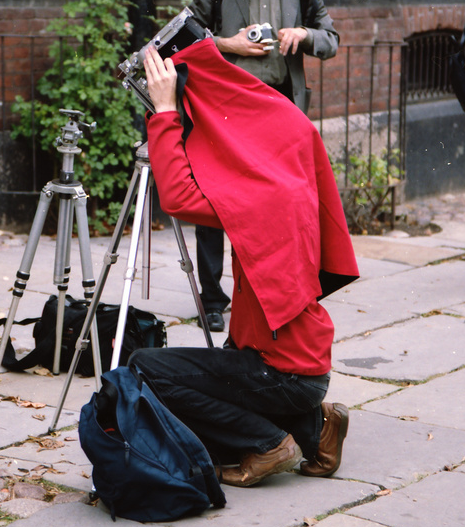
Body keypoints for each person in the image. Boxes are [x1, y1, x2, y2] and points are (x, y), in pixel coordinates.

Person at [128, 37, 358, 487]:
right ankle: (317, 429)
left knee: (145, 367)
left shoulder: (259, 197)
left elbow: (176, 196)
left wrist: (165, 111)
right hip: (304, 363)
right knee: (216, 377)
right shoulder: (286, 171)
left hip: (282, 369)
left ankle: (268, 443)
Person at [186, 0, 340, 332]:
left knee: (273, 207)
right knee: (215, 202)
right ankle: (213, 300)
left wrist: (304, 34)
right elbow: (186, 33)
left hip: (277, 111)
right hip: (225, 108)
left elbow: (331, 39)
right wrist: (228, 45)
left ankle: (263, 293)